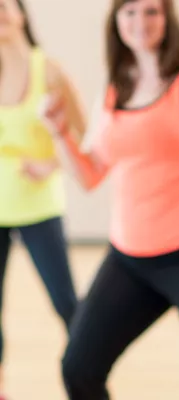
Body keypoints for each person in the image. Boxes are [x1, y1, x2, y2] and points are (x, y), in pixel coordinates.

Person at [38, 0, 179, 399]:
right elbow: (90, 174)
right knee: (78, 369)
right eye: (130, 11)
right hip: (129, 259)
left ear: (167, 18)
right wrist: (58, 132)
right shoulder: (118, 86)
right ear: (116, 20)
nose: (141, 21)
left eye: (151, 11)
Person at [0, 0, 81, 397]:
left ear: (20, 13)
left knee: (66, 303)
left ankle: (85, 375)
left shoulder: (47, 69)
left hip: (39, 205)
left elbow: (82, 137)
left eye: (4, 5)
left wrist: (49, 164)